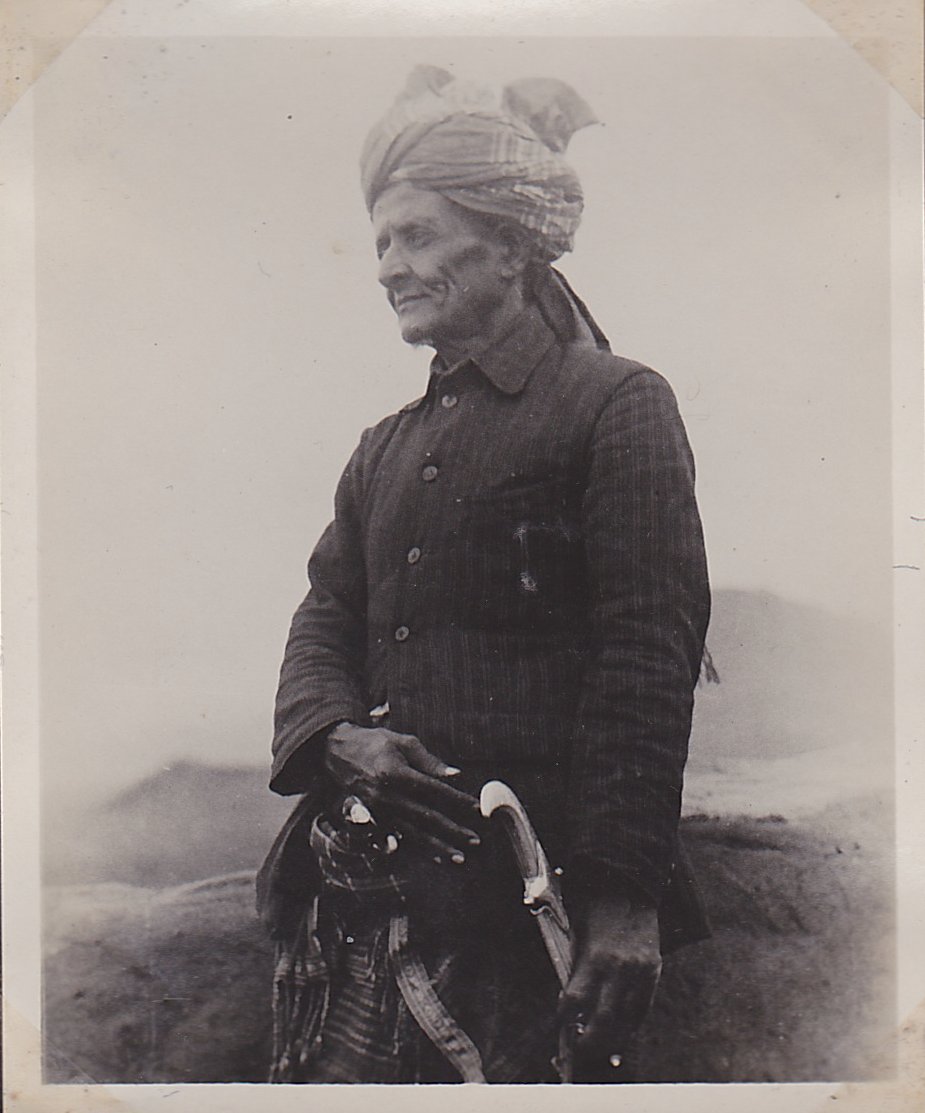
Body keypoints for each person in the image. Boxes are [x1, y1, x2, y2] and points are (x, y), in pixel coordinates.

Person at [257, 65, 711, 1084]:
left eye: (415, 236)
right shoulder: (381, 447)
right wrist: (338, 740)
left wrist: (622, 900)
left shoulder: (616, 404)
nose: (388, 267)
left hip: (531, 910)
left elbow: (647, 651)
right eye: (381, 243)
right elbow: (324, 614)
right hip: (365, 906)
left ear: (510, 245)